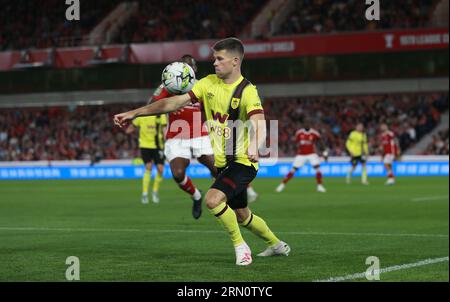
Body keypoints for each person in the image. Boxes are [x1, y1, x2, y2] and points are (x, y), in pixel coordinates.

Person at [114, 37, 290, 266]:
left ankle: (240, 247)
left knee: (213, 200)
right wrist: (134, 113)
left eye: (219, 59)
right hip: (224, 162)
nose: (214, 63)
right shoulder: (207, 83)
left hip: (242, 161)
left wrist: (255, 145)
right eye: (214, 59)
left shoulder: (247, 91)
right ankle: (277, 245)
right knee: (242, 214)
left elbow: (259, 122)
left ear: (235, 61)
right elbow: (172, 103)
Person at [152, 54, 258, 219]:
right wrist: (168, 106)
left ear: (194, 70)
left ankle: (239, 201)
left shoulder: (204, 85)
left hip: (201, 135)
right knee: (178, 174)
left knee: (219, 170)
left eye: (191, 67)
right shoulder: (169, 85)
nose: (188, 70)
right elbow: (153, 101)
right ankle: (196, 195)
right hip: (177, 137)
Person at [276, 119, 328, 193]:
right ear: (303, 125)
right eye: (305, 124)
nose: (306, 125)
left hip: (311, 154)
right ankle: (282, 185)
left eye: (308, 123)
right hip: (301, 154)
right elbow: (295, 142)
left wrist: (324, 152)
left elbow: (321, 143)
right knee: (293, 170)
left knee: (318, 169)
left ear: (310, 124)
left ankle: (319, 186)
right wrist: (293, 150)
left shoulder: (314, 133)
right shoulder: (299, 133)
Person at [125, 114, 167, 204]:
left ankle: (155, 191)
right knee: (148, 167)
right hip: (145, 146)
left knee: (160, 170)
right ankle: (145, 193)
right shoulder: (142, 116)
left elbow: (164, 130)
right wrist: (129, 130)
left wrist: (166, 140)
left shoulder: (160, 115)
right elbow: (130, 128)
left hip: (158, 146)